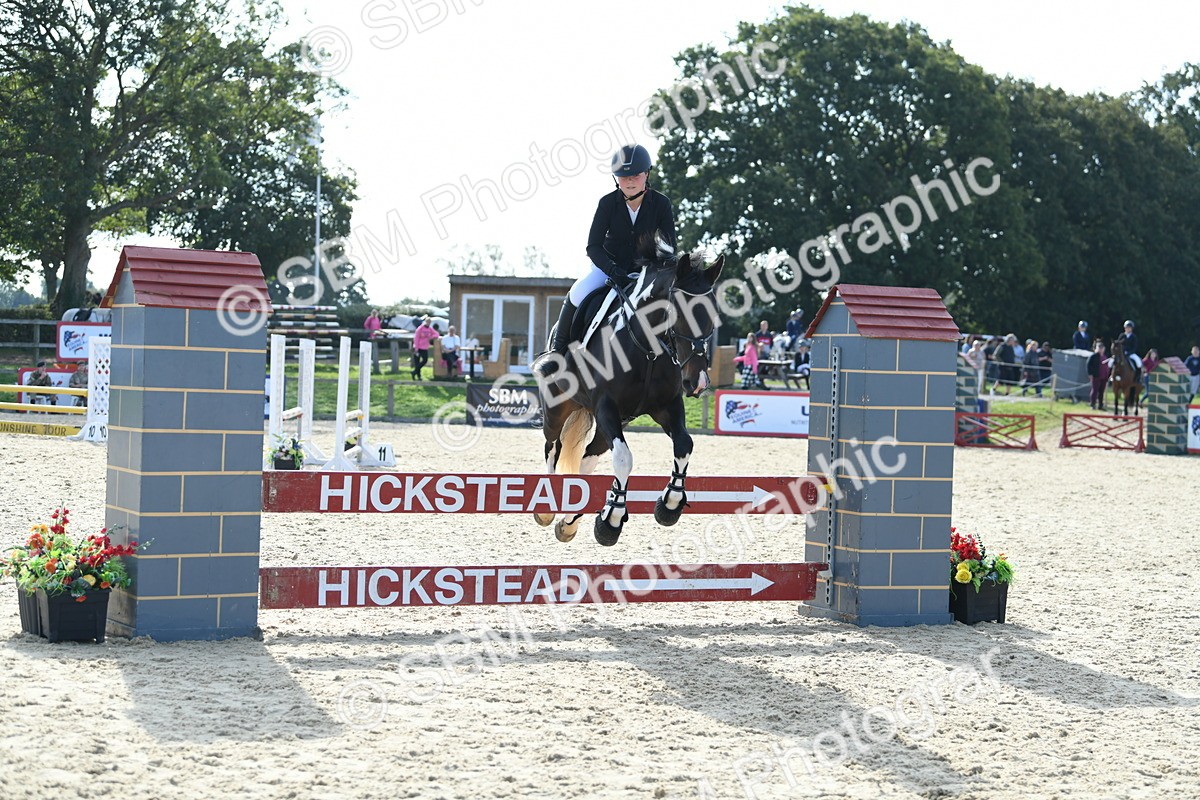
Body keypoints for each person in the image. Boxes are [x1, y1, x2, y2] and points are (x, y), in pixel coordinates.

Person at [551, 144, 676, 354]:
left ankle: (683, 359)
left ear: (646, 174)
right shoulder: (607, 204)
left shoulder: (661, 204)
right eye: (623, 176)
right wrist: (612, 270)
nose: (629, 181)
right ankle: (556, 352)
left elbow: (669, 247)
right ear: (616, 177)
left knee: (678, 297)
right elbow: (593, 246)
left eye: (635, 175)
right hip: (609, 268)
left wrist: (655, 271)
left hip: (647, 271)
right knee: (578, 292)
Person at [411, 316, 440, 380]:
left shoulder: (430, 329)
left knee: (425, 360)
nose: (428, 323)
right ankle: (418, 376)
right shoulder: (420, 328)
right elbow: (416, 338)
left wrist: (431, 337)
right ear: (425, 322)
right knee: (417, 362)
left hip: (425, 347)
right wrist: (416, 348)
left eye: (429, 322)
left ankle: (414, 371)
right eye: (427, 322)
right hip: (418, 347)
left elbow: (437, 334)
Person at [1087, 340, 1111, 411]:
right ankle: (1092, 404)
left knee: (1101, 392)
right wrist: (1090, 374)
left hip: (1104, 377)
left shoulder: (1105, 356)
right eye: (1099, 348)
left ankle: (1100, 405)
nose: (1100, 349)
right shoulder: (1093, 356)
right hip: (1096, 376)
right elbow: (1088, 365)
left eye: (1102, 348)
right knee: (1095, 390)